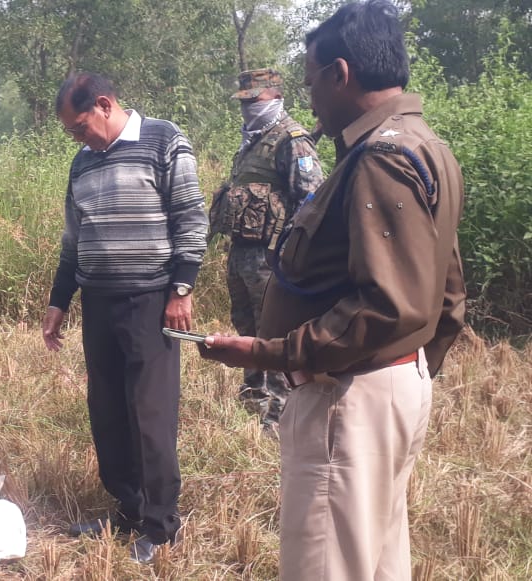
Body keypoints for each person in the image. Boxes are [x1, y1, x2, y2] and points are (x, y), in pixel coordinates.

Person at [199, 2, 466, 579]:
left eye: (311, 79)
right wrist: (413, 373)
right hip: (389, 383)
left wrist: (272, 353)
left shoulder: (380, 158)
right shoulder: (425, 145)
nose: (310, 95)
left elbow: (389, 305)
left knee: (327, 565)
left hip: (349, 395)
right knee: (375, 559)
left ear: (340, 74)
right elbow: (447, 293)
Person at [41, 73, 208, 564]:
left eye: (79, 127)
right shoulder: (82, 162)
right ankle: (129, 509)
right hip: (99, 302)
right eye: (71, 132)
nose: (78, 138)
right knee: (108, 411)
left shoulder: (163, 140)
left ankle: (161, 526)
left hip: (150, 302)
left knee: (151, 415)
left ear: (104, 104)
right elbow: (73, 240)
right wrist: (59, 301)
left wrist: (181, 289)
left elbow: (191, 218)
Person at [209, 69, 325, 433]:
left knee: (273, 332)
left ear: (275, 95)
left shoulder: (293, 140)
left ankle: (279, 413)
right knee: (245, 324)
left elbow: (311, 201)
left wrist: (293, 256)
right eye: (243, 101)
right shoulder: (252, 141)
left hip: (272, 257)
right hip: (242, 253)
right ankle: (254, 393)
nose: (247, 107)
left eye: (253, 100)